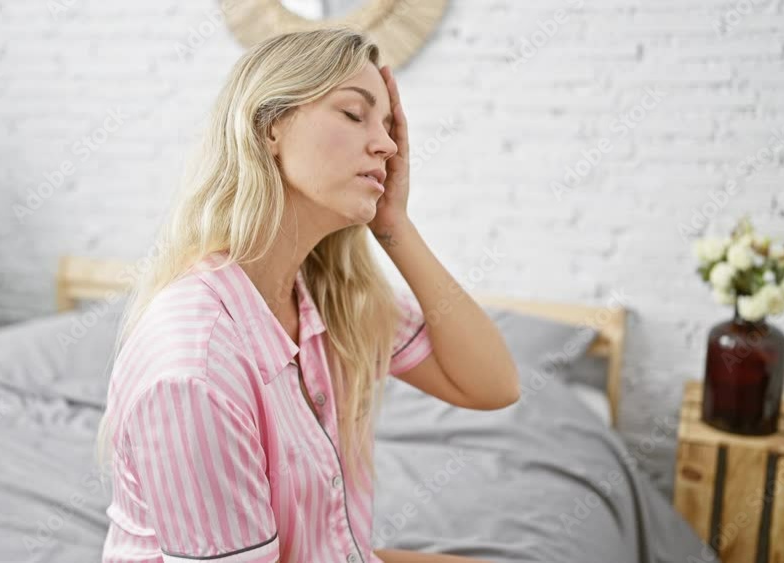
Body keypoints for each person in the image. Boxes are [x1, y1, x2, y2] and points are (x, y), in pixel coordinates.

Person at [94, 26, 520, 563]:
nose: (388, 145)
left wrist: (394, 224)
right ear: (270, 125)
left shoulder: (326, 297)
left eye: (389, 127)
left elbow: (492, 385)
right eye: (354, 114)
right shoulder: (195, 369)